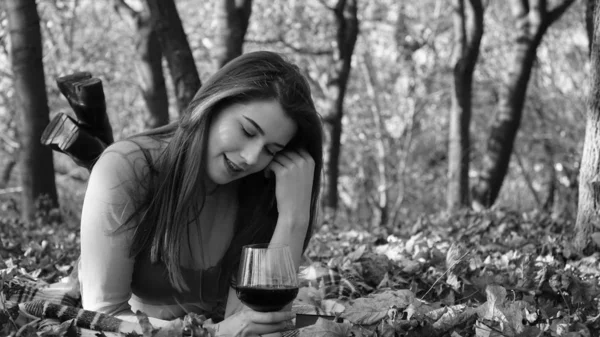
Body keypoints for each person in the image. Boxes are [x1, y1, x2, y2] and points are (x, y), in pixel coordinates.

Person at [78, 51, 324, 336]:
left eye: (272, 150)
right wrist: (211, 334)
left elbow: (257, 324)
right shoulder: (126, 168)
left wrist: (293, 218)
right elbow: (99, 319)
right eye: (247, 131)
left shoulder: (260, 189)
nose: (251, 157)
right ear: (212, 105)